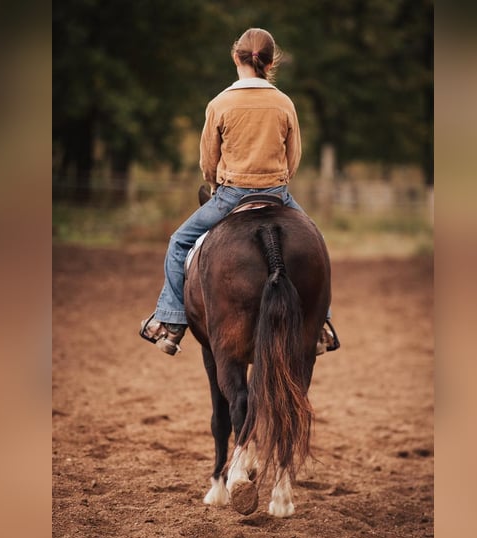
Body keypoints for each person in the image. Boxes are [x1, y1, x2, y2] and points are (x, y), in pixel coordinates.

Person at [140, 27, 339, 356]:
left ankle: (172, 322)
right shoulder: (284, 102)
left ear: (236, 57)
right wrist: (280, 177)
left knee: (179, 242)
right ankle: (321, 325)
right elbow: (294, 155)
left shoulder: (219, 103)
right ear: (271, 62)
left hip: (232, 194)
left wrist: (215, 182)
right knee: (317, 244)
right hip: (278, 193)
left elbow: (207, 160)